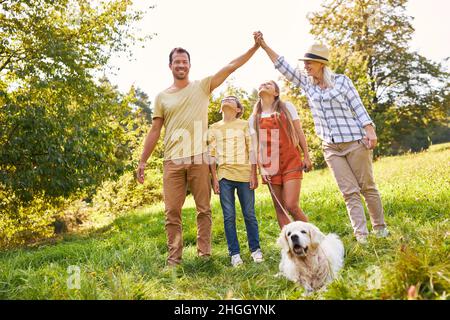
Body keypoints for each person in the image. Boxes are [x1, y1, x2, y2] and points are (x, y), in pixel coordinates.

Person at [254, 31, 388, 244]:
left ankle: (380, 229)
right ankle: (361, 235)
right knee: (349, 192)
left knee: (367, 187)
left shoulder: (342, 82)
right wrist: (264, 45)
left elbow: (358, 107)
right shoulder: (307, 84)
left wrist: (369, 129)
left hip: (354, 142)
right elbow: (283, 66)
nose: (306, 66)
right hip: (331, 148)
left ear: (321, 64)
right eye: (305, 63)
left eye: (310, 63)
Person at [137, 41, 260, 266]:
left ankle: (204, 256)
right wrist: (142, 161)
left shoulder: (202, 86)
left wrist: (254, 48)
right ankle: (174, 259)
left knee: (203, 209)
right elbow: (155, 130)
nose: (181, 65)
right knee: (172, 212)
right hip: (172, 161)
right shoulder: (161, 97)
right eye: (177, 62)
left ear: (190, 65)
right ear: (170, 66)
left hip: (199, 159)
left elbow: (231, 66)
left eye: (184, 61)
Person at [208, 96, 263, 267]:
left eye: (232, 99)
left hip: (245, 174)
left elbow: (252, 149)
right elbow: (211, 155)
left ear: (238, 109)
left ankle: (255, 250)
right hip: (224, 176)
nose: (227, 99)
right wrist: (214, 178)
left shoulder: (245, 124)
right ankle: (235, 254)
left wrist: (254, 174)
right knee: (229, 216)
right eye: (225, 98)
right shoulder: (214, 127)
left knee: (249, 214)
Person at [249, 80, 312, 229]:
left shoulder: (287, 107)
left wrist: (307, 156)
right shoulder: (253, 118)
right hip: (270, 165)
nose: (263, 85)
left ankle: (314, 238)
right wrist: (261, 169)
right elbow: (255, 147)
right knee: (280, 208)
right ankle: (290, 245)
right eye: (261, 84)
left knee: (291, 205)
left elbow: (299, 131)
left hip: (291, 160)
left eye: (268, 84)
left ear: (276, 93)